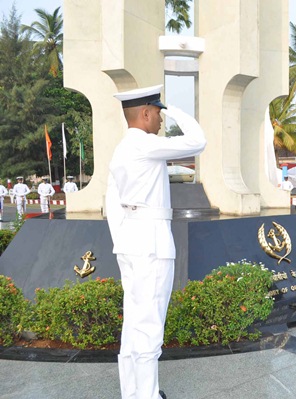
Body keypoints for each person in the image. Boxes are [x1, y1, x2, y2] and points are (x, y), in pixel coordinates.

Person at [106, 84, 206, 399]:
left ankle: (133, 394)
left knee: (133, 326)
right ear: (146, 113)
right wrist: (174, 108)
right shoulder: (144, 144)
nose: (161, 120)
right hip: (151, 243)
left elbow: (112, 205)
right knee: (149, 328)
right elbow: (198, 141)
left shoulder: (122, 149)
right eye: (158, 112)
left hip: (130, 241)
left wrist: (123, 240)